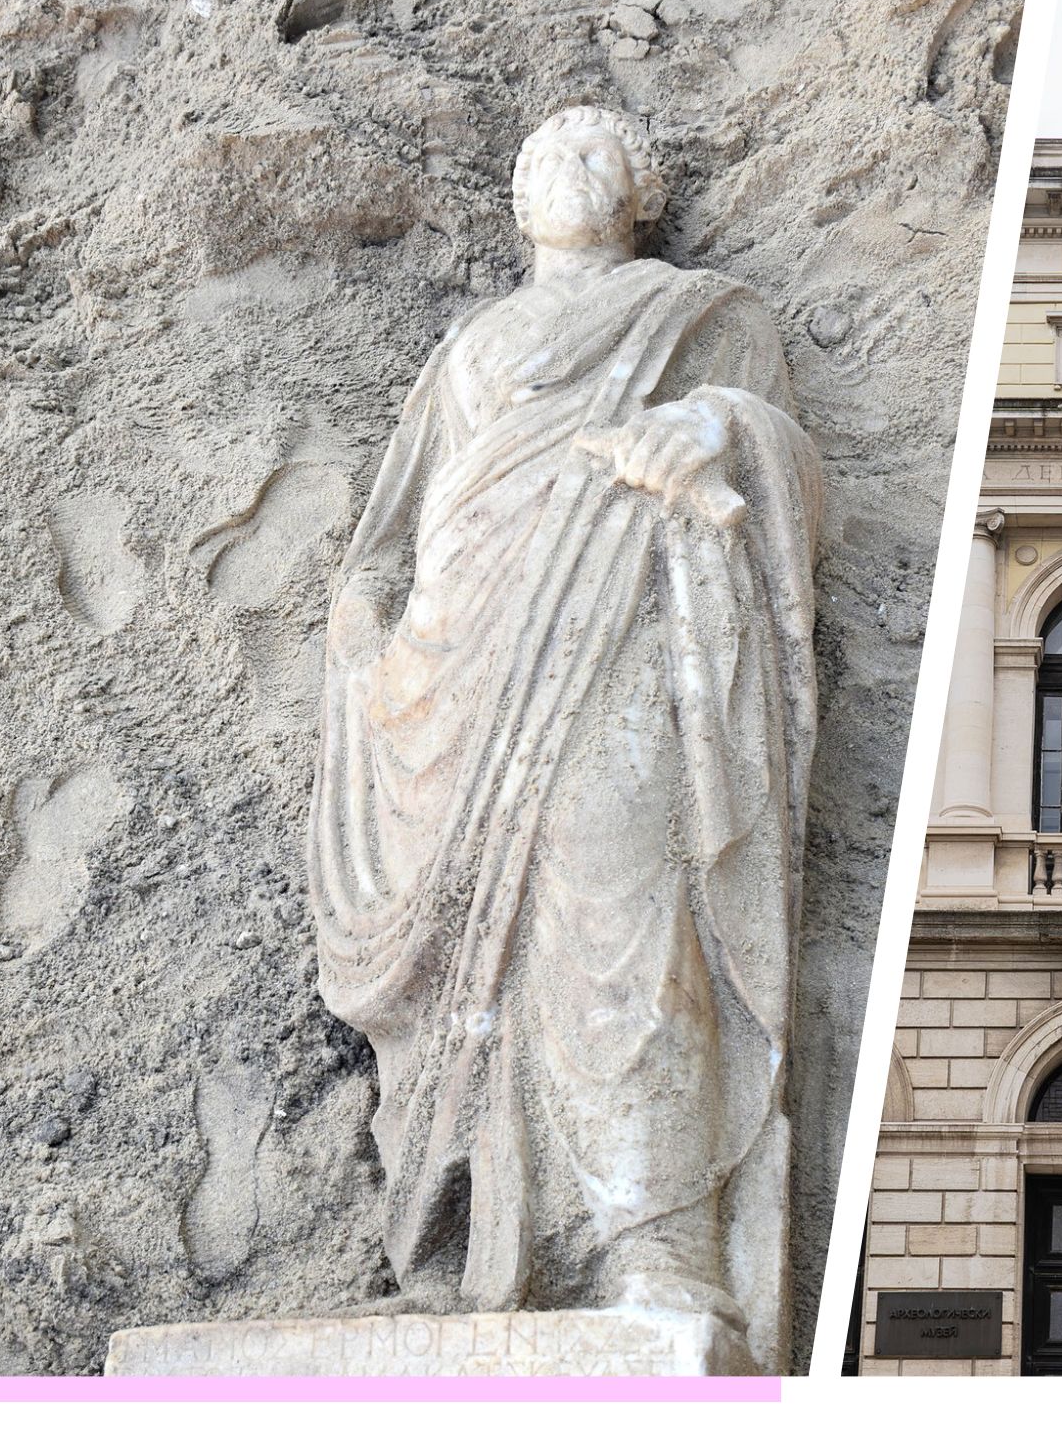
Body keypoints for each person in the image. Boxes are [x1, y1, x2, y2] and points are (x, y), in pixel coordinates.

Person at [307, 106, 819, 1371]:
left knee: (625, 909)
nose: (562, 162)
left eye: (593, 148)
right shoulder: (470, 343)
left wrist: (708, 425)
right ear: (513, 197)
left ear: (641, 189)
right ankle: (480, 1246)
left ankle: (658, 1242)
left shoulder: (704, 314)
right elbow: (400, 521)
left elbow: (786, 459)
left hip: (617, 633)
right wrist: (369, 618)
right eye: (540, 150)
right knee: (466, 949)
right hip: (457, 668)